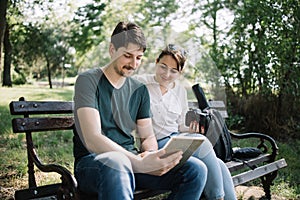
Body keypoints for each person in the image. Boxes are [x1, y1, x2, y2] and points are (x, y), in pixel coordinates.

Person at [73, 22, 208, 200]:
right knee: (117, 162)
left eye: (139, 57)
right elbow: (92, 139)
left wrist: (151, 154)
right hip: (93, 163)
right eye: (128, 56)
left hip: (131, 161)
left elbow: (148, 137)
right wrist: (138, 162)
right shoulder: (88, 80)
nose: (133, 64)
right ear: (112, 49)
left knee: (195, 169)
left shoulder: (139, 89)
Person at [134, 44, 237, 200]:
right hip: (155, 144)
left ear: (179, 72)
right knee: (202, 143)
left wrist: (191, 129)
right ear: (156, 62)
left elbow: (180, 124)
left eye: (173, 71)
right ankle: (218, 198)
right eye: (163, 67)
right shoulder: (141, 83)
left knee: (218, 164)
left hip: (176, 139)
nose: (167, 74)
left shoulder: (180, 90)